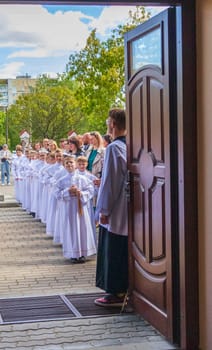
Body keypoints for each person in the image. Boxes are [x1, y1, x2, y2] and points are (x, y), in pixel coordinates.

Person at [94, 108, 128, 307]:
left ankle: (115, 292)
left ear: (113, 123)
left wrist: (103, 210)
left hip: (116, 209)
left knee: (113, 249)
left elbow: (110, 182)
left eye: (108, 120)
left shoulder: (114, 148)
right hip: (125, 205)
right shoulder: (130, 145)